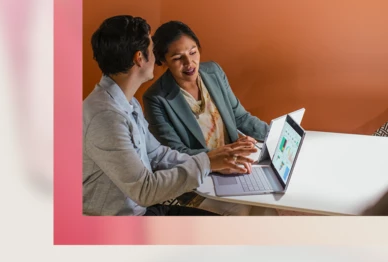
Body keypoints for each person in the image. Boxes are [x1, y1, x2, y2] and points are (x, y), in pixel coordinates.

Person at [83, 15, 257, 216]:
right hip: (124, 222)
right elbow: (145, 190)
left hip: (148, 207)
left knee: (250, 213)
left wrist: (212, 162)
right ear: (139, 58)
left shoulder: (127, 102)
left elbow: (157, 154)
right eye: (151, 48)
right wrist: (207, 163)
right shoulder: (105, 118)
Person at [142, 20, 276, 216]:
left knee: (267, 202)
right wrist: (220, 159)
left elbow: (240, 117)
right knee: (240, 212)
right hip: (198, 179)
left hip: (232, 167)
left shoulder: (213, 72)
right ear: (163, 61)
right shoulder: (156, 98)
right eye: (178, 58)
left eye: (193, 52)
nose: (189, 63)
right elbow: (176, 153)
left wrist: (274, 136)